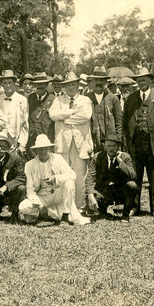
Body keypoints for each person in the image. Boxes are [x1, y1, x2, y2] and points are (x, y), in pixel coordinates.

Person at [122, 66, 154, 216]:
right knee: (135, 175)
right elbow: (125, 122)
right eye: (139, 80)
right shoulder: (131, 98)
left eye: (144, 79)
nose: (141, 82)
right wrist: (127, 143)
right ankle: (134, 206)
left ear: (150, 80)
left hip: (153, 142)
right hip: (136, 143)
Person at [18, 134, 89, 226]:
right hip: (42, 197)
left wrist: (56, 178)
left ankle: (65, 216)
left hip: (58, 194)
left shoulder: (58, 159)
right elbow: (30, 190)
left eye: (45, 148)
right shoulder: (30, 165)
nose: (43, 151)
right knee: (23, 206)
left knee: (69, 183)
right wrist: (40, 205)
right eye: (40, 149)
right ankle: (47, 213)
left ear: (49, 149)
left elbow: (72, 175)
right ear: (36, 150)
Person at [48, 71, 93, 210]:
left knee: (79, 175)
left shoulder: (85, 100)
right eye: (68, 85)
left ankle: (79, 206)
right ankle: (63, 207)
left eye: (73, 84)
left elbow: (85, 116)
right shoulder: (58, 100)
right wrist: (71, 112)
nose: (71, 87)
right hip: (62, 143)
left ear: (78, 85)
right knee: (62, 175)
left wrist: (65, 119)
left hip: (80, 143)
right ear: (64, 87)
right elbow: (53, 115)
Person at [85, 133, 138, 220]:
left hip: (120, 190)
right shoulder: (97, 157)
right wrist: (90, 194)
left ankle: (125, 215)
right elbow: (90, 177)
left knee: (132, 185)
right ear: (105, 146)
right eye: (109, 146)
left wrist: (121, 164)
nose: (111, 149)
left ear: (118, 147)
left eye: (114, 146)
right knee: (93, 196)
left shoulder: (125, 157)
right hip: (104, 190)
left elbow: (133, 176)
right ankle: (103, 212)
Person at [88, 66, 123, 155]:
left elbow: (119, 122)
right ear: (92, 81)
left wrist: (117, 141)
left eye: (101, 80)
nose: (99, 83)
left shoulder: (113, 98)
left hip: (109, 141)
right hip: (91, 140)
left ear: (106, 81)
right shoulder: (86, 97)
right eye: (96, 80)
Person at [0, 70, 30, 153]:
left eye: (10, 82)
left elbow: (25, 124)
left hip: (16, 138)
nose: (7, 85)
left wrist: (22, 144)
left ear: (14, 83)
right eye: (5, 83)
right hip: (0, 139)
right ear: (1, 84)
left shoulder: (22, 100)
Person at [26, 72, 56, 153]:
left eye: (43, 84)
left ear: (46, 85)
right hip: (32, 140)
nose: (40, 86)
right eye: (37, 84)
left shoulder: (53, 99)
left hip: (47, 140)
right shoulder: (30, 98)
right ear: (34, 86)